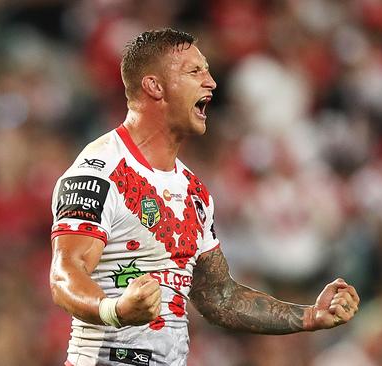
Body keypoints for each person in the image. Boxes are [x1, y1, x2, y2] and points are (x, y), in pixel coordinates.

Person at [49, 28, 360, 366]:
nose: (211, 82)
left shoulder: (193, 190)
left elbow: (219, 297)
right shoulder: (98, 171)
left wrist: (309, 316)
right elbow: (65, 273)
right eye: (194, 71)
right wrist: (114, 310)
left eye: (208, 70)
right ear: (154, 86)